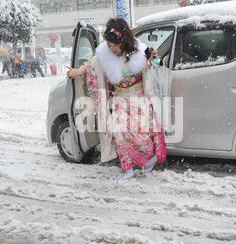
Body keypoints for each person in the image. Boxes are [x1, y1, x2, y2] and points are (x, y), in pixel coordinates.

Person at [67, 18, 167, 184]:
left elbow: (157, 61)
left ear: (124, 41)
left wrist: (154, 61)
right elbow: (92, 65)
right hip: (120, 100)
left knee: (141, 136)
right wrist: (77, 71)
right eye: (109, 45)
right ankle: (127, 169)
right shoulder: (105, 53)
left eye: (115, 46)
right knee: (120, 135)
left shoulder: (140, 50)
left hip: (138, 99)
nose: (112, 49)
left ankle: (150, 159)